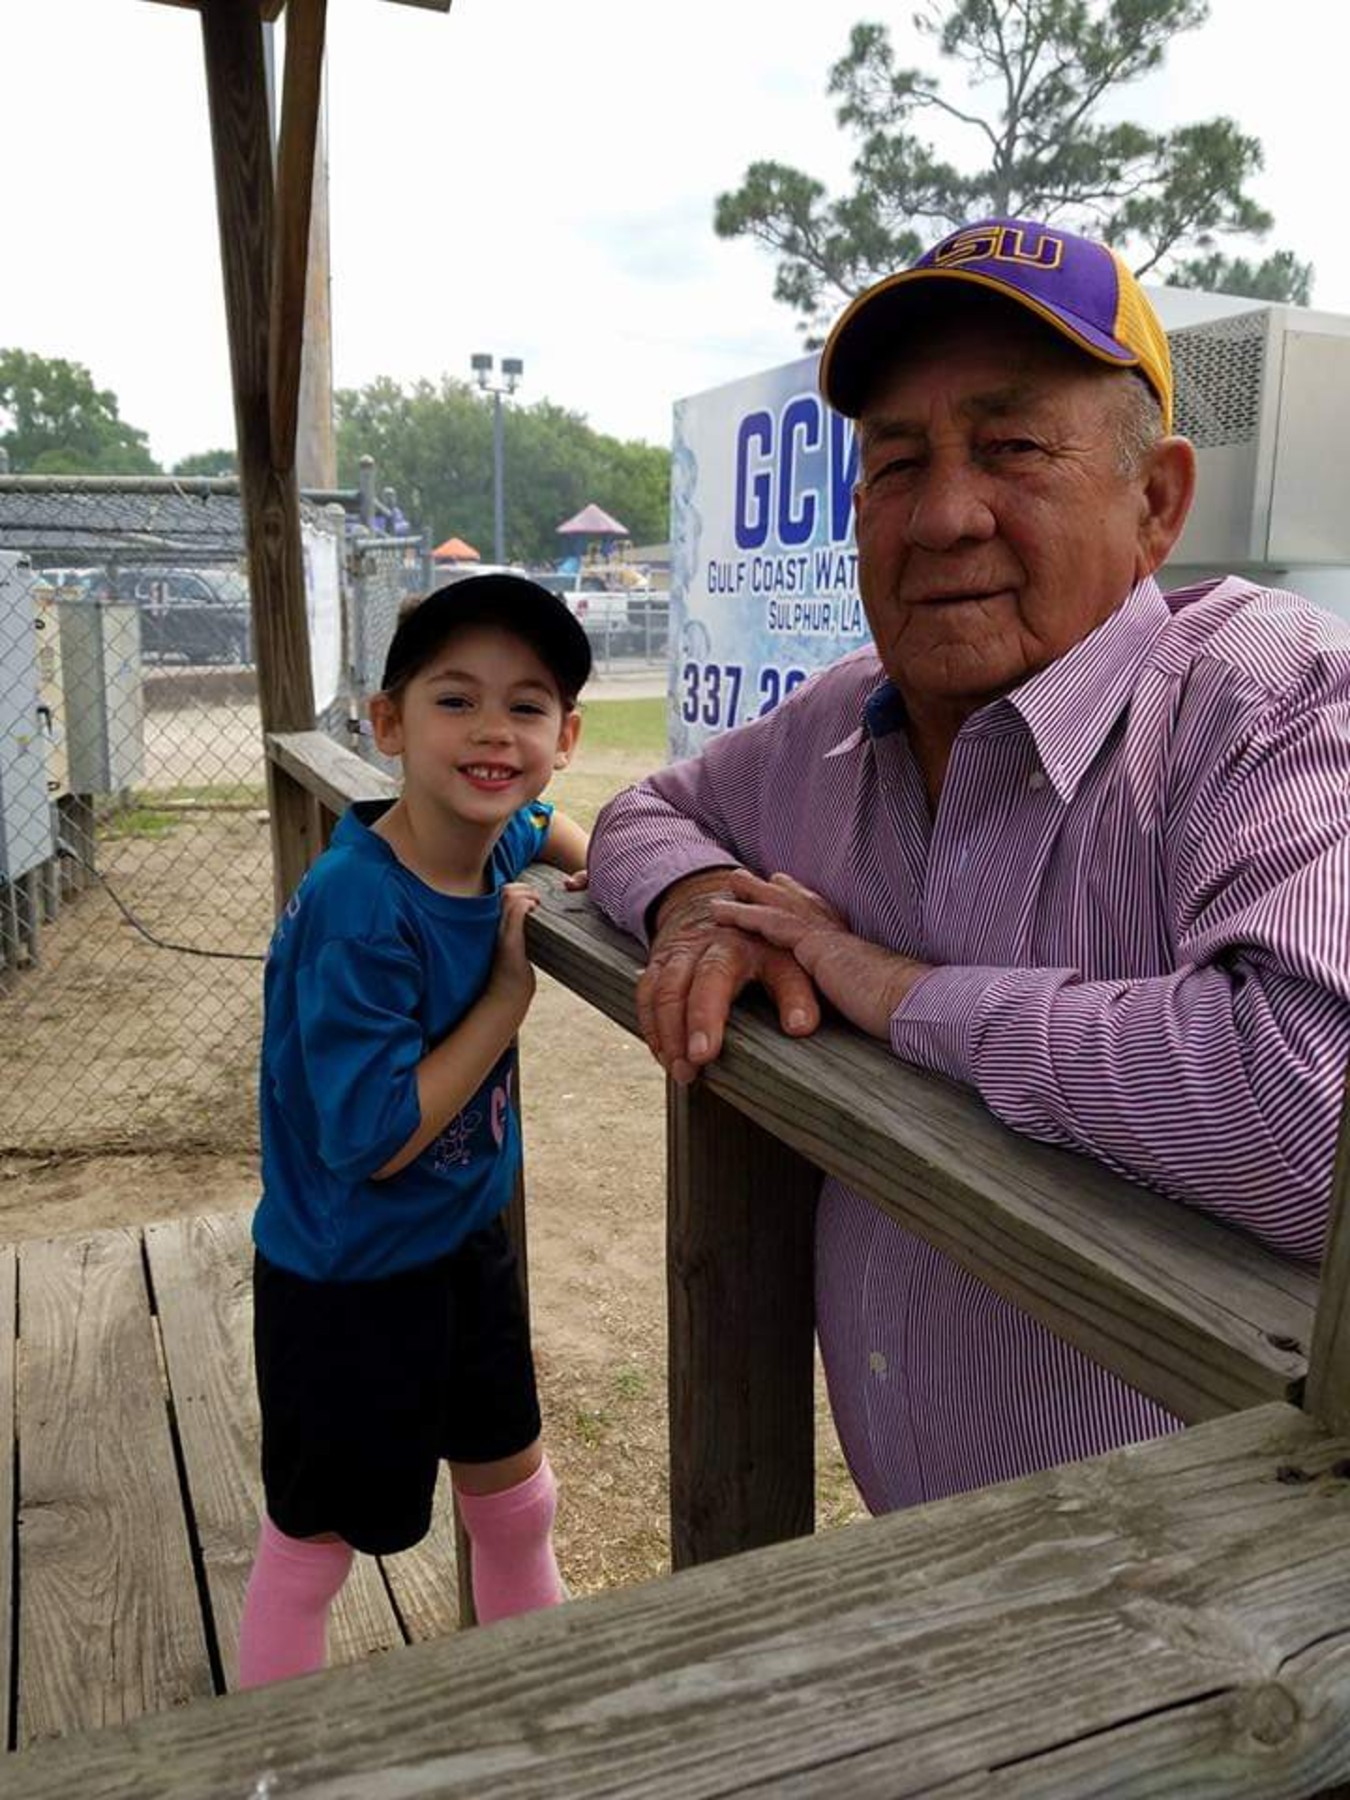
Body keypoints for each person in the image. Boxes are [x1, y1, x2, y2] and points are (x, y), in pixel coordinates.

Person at [588, 216, 1350, 1514]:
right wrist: (705, 908)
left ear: (1154, 503)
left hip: (1213, 1616)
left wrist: (891, 989)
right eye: (896, 463)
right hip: (928, 1570)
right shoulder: (837, 719)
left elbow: (1304, 1115)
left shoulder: (1265, 698)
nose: (941, 517)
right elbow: (638, 815)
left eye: (1010, 448)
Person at [238, 572, 591, 1687]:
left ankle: (533, 1709)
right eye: (455, 701)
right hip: (346, 1282)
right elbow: (374, 1137)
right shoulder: (359, 907)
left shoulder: (491, 832)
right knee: (316, 1547)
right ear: (386, 722)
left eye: (527, 707)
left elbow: (548, 823)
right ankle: (268, 1758)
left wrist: (633, 880)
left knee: (515, 1495)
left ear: (566, 734)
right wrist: (502, 1002)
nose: (494, 732)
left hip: (461, 1247)